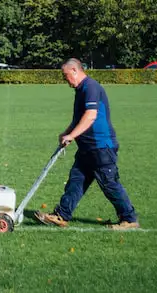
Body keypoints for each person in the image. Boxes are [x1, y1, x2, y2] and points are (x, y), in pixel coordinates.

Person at [35, 58, 140, 230]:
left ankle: (129, 219)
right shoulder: (80, 90)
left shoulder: (90, 86)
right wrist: (67, 132)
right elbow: (78, 119)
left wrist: (72, 135)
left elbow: (91, 116)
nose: (65, 80)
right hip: (87, 148)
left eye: (66, 76)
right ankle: (62, 215)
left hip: (101, 146)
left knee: (109, 184)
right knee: (76, 181)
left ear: (75, 71)